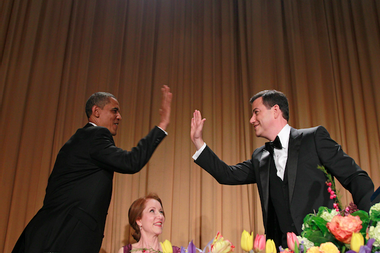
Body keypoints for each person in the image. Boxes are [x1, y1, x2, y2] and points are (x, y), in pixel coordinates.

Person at [190, 89, 374, 248]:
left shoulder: (313, 138)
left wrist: (368, 225)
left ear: (276, 110)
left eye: (256, 112)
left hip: (322, 245)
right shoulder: (259, 157)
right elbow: (227, 175)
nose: (251, 120)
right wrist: (198, 142)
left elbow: (355, 176)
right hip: (281, 248)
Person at [12, 85, 172, 253]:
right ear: (96, 111)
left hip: (51, 235)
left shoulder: (78, 141)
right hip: (65, 237)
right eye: (114, 111)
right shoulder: (94, 135)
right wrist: (162, 125)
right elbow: (131, 161)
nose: (119, 117)